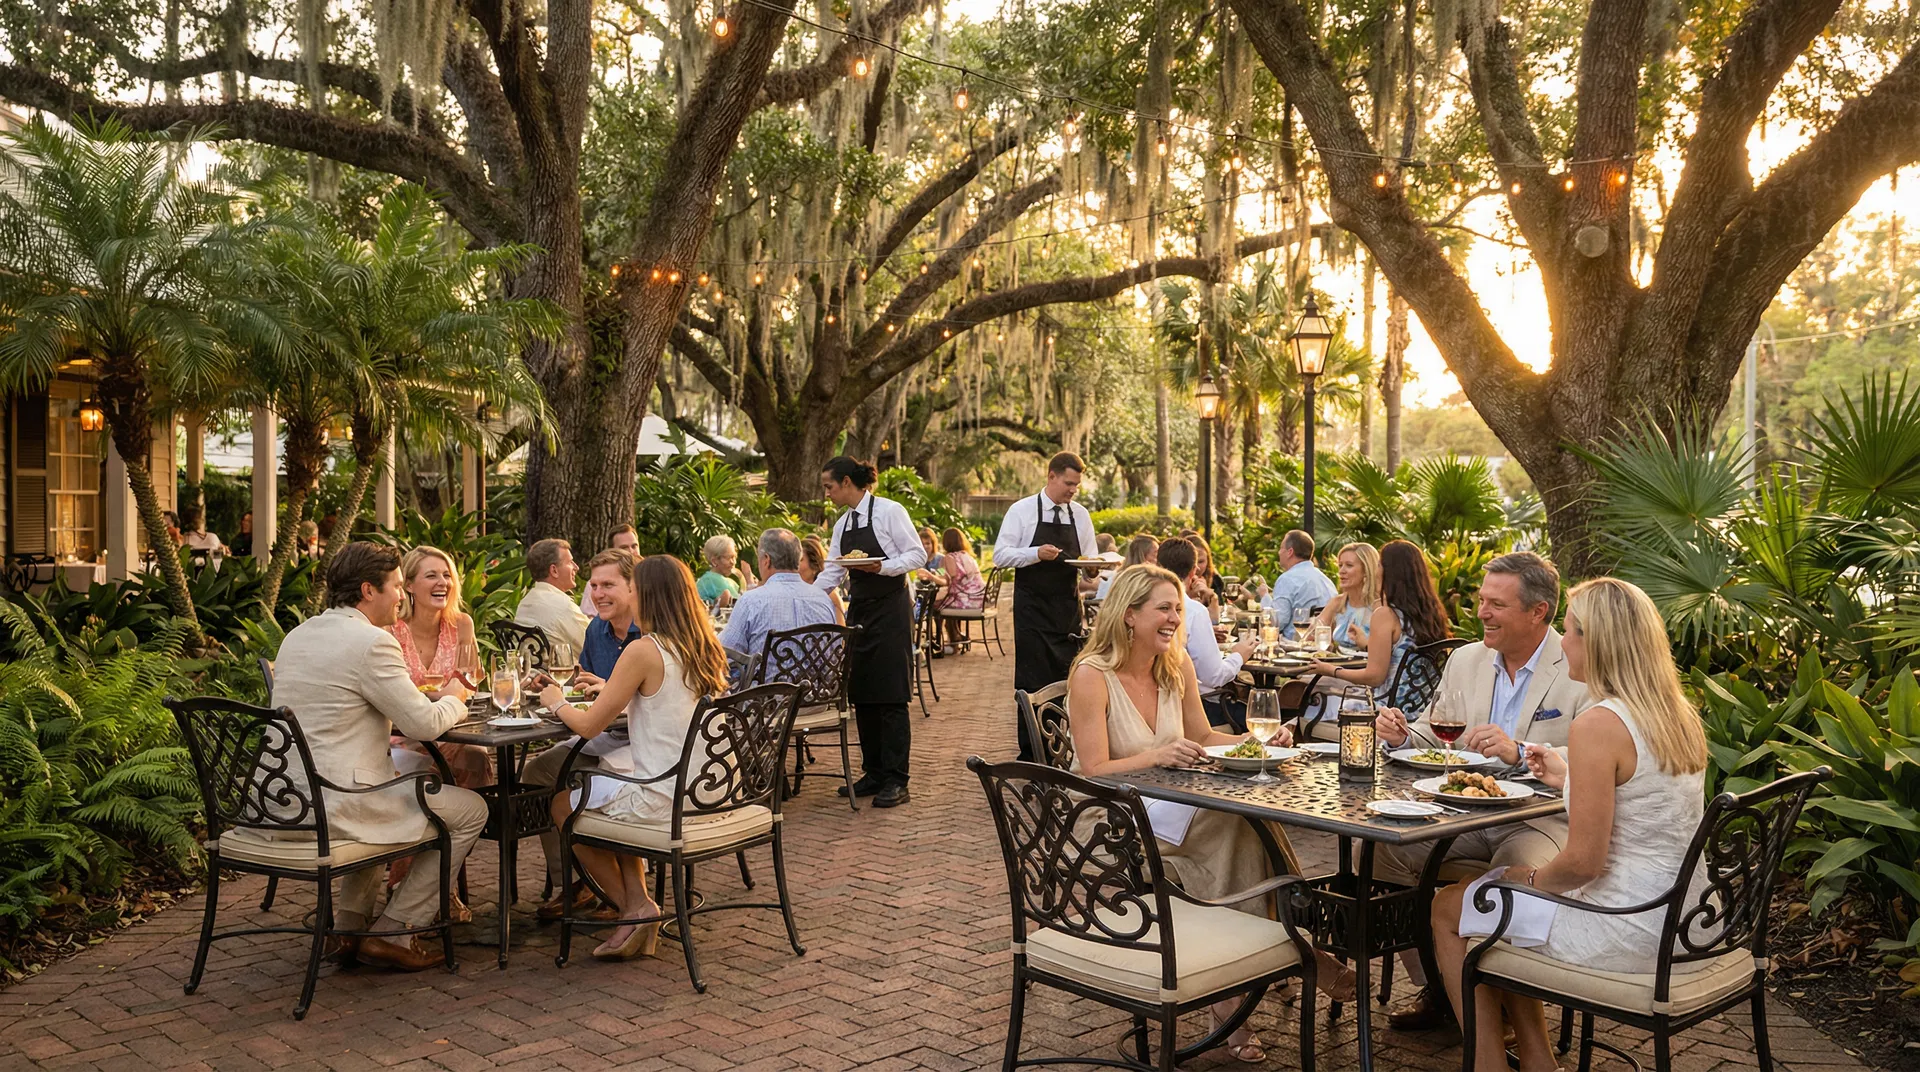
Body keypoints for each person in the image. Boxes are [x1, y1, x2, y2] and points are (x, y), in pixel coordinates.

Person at [1065, 564, 1352, 1061]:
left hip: (1175, 804)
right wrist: (1156, 756)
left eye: (1178, 607)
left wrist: (1256, 739)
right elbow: (1093, 769)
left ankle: (1261, 965)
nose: (1176, 618)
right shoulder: (1092, 676)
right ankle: (1285, 953)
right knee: (1231, 822)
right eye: (1164, 608)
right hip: (1110, 817)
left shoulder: (1175, 667)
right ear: (1129, 614)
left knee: (1245, 817)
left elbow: (1202, 738)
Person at [1430, 578, 1709, 1072]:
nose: (1563, 642)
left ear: (1599, 644)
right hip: (1689, 918)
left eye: (1571, 632)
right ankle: (1540, 1062)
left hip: (1629, 925)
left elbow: (1582, 863)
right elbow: (1639, 789)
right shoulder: (1674, 713)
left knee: (1453, 905)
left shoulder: (1599, 724)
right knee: (1506, 906)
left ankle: (1487, 1064)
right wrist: (1564, 771)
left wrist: (1530, 880)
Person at [1372, 550, 1591, 1032]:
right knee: (1382, 851)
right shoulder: (1468, 659)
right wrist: (1403, 734)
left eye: (1497, 604)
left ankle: (1508, 1009)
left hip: (1540, 816)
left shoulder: (1576, 664)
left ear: (1538, 612)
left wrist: (1523, 749)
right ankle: (1439, 986)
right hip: (1460, 811)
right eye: (1481, 600)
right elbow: (1438, 733)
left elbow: (1598, 758)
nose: (1482, 613)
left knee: (1516, 881)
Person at [267, 541, 486, 971]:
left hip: (286, 800)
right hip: (337, 802)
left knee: (383, 791)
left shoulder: (298, 635)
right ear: (369, 590)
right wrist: (459, 696)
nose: (401, 595)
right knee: (469, 811)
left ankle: (348, 929)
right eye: (396, 586)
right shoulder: (371, 643)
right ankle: (396, 929)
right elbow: (424, 724)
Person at [539, 555, 732, 960]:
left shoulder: (644, 649)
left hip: (666, 798)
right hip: (712, 790)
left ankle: (633, 909)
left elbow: (589, 726)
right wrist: (613, 692)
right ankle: (637, 906)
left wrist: (555, 701)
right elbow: (669, 705)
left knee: (561, 804)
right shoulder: (703, 645)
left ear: (648, 595)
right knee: (608, 789)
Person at [526, 548, 642, 920]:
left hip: (641, 749)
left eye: (608, 584)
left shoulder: (651, 633)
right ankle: (574, 885)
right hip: (605, 737)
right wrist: (564, 686)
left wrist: (601, 691)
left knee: (573, 790)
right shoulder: (596, 629)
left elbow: (647, 694)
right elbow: (588, 687)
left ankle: (623, 898)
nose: (598, 593)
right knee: (537, 774)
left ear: (633, 587)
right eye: (593, 585)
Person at [815, 456, 926, 808]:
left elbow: (917, 555)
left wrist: (881, 566)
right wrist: (802, 594)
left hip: (892, 610)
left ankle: (897, 779)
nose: (827, 494)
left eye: (829, 487)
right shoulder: (842, 525)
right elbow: (833, 571)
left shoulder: (890, 511)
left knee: (891, 695)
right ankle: (873, 772)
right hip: (860, 611)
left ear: (847, 482)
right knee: (862, 692)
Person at [993, 451, 1098, 760]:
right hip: (1032, 613)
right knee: (1031, 683)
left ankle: (1061, 750)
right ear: (1051, 476)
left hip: (1067, 612)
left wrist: (1094, 568)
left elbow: (1089, 559)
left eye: (1076, 486)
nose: (1072, 491)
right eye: (1068, 483)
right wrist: (1035, 553)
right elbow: (1000, 555)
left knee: (1066, 682)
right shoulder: (1021, 511)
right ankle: (1031, 755)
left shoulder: (1079, 515)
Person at [1303, 539, 1452, 710]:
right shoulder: (1431, 615)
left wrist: (1330, 670)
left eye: (1380, 565)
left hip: (1385, 712)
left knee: (1306, 699)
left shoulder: (1385, 615)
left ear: (1391, 572)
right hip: (1422, 710)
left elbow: (1374, 676)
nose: (1376, 571)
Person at [388, 547, 491, 792]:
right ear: (409, 585)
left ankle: (475, 827)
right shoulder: (390, 629)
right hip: (404, 735)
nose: (443, 582)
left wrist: (450, 692)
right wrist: (448, 692)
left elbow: (468, 684)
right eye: (432, 575)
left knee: (475, 756)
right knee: (430, 770)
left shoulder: (461, 624)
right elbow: (393, 695)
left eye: (447, 575)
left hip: (453, 730)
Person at [1156, 537, 1255, 732]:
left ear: (1157, 566)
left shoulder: (1148, 606)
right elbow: (1214, 677)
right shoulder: (1192, 610)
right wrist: (1239, 656)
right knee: (1261, 715)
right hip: (1197, 709)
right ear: (1194, 571)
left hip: (1163, 704)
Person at [720, 528, 842, 659]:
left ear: (766, 560)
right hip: (817, 679)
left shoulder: (750, 601)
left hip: (767, 680)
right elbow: (834, 652)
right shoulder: (823, 599)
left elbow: (725, 656)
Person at [514, 537, 590, 654]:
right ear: (554, 570)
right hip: (563, 671)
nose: (576, 567)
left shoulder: (524, 603)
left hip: (528, 671)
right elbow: (592, 645)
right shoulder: (564, 607)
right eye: (570, 562)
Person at [1260, 529, 1336, 638]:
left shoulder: (1287, 579)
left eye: (1281, 548)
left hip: (1295, 648)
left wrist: (1265, 596)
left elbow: (1275, 623)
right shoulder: (1326, 580)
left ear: (1290, 552)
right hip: (1324, 645)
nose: (1279, 552)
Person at [1314, 542, 1380, 647]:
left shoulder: (1379, 606)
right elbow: (1311, 635)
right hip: (1339, 662)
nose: (1341, 571)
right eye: (1340, 565)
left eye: (1349, 565)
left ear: (1366, 570)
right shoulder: (1338, 602)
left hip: (1366, 663)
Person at [933, 527, 984, 655]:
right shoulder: (967, 556)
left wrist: (931, 575)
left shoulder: (950, 557)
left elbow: (949, 579)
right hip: (977, 598)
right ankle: (956, 636)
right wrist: (937, 571)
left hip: (966, 600)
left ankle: (941, 642)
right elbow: (947, 573)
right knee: (945, 604)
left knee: (935, 606)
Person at [580, 524, 642, 614]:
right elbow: (589, 619)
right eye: (624, 548)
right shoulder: (595, 586)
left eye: (634, 546)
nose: (631, 551)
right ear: (611, 551)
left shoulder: (653, 579)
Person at [1094, 534, 1158, 600]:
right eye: (1156, 552)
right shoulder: (1140, 580)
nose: (1159, 556)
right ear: (1143, 555)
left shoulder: (1115, 576)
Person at [696, 534, 745, 608]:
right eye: (729, 558)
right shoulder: (713, 580)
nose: (733, 562)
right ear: (714, 561)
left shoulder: (706, 579)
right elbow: (743, 604)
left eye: (734, 557)